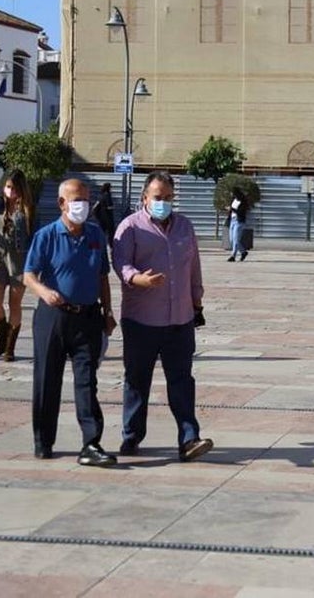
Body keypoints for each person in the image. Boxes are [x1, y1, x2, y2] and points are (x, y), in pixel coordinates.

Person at [112, 171, 214, 462]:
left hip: (179, 320)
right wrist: (136, 279)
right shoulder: (129, 228)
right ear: (145, 198)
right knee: (137, 381)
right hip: (141, 320)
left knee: (182, 381)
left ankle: (189, 438)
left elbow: (193, 265)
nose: (164, 203)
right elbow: (120, 262)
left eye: (169, 198)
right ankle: (131, 436)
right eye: (158, 198)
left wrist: (197, 301)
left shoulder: (184, 226)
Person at [24, 178, 117, 466]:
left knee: (87, 382)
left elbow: (103, 276)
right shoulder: (47, 235)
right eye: (77, 200)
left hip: (87, 317)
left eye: (86, 200)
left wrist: (108, 311)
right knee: (46, 380)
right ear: (62, 203)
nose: (83, 205)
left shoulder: (95, 234)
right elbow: (28, 275)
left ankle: (91, 443)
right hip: (53, 318)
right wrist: (44, 292)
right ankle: (43, 439)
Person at [0, 170, 33, 361]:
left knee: (14, 304)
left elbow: (35, 238)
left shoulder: (29, 209)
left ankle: (10, 348)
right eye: (8, 187)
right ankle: (3, 337)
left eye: (14, 188)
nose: (10, 191)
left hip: (19, 260)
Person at [226, 187, 250, 262]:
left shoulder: (243, 201)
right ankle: (243, 252)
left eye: (232, 193)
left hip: (239, 222)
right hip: (232, 220)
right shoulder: (234, 200)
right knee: (232, 240)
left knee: (236, 239)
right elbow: (231, 211)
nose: (231, 194)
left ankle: (233, 256)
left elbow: (241, 212)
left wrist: (231, 209)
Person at [92, 182, 116, 247]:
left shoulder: (100, 195)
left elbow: (96, 205)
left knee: (102, 232)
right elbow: (109, 206)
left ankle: (100, 244)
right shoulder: (107, 195)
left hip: (101, 217)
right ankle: (111, 245)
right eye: (110, 188)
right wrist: (113, 207)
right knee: (111, 233)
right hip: (108, 217)